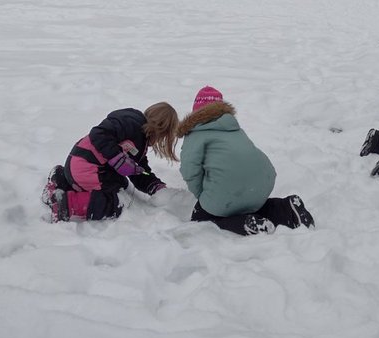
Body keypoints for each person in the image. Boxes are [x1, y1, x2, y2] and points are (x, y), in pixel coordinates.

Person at [177, 86, 315, 235]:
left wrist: (203, 197)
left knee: (201, 218)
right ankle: (286, 209)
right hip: (262, 184)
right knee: (251, 205)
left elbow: (189, 170)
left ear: (195, 112)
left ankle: (246, 224)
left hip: (227, 190)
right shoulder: (233, 128)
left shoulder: (195, 134)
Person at [43, 102, 179, 222]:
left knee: (121, 184)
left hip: (76, 164)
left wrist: (156, 187)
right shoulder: (130, 125)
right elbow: (98, 134)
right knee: (117, 202)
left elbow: (139, 171)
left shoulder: (139, 139)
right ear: (161, 130)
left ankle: (61, 180)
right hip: (86, 166)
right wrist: (117, 158)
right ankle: (66, 205)